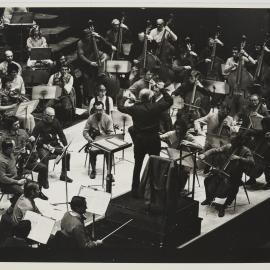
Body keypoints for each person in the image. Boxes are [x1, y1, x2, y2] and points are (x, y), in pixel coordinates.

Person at [118, 87, 173, 197]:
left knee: (137, 165)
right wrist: (162, 90)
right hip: (153, 139)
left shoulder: (135, 108)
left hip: (139, 140)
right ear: (150, 97)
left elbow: (120, 107)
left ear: (140, 98)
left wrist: (124, 97)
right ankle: (152, 190)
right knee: (154, 165)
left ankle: (135, 191)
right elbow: (169, 101)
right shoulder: (156, 107)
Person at [199, 134, 254, 217]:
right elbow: (215, 150)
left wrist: (239, 158)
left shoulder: (245, 150)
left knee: (234, 188)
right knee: (207, 180)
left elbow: (252, 162)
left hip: (235, 175)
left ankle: (224, 206)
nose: (232, 144)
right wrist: (205, 154)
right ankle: (208, 199)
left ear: (240, 141)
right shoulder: (229, 146)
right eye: (231, 141)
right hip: (224, 171)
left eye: (234, 142)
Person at [0, 116, 48, 199]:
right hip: (14, 162)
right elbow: (3, 153)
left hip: (26, 159)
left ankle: (38, 191)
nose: (18, 126)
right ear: (9, 126)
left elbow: (30, 145)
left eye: (19, 123)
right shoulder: (3, 137)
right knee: (20, 182)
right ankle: (18, 196)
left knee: (43, 167)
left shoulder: (23, 132)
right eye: (15, 124)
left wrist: (33, 150)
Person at [30, 107, 73, 184]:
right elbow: (34, 139)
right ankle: (44, 178)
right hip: (43, 146)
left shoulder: (56, 122)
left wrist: (65, 145)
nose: (52, 118)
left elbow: (61, 134)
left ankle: (64, 175)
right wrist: (43, 145)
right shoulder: (39, 125)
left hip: (54, 144)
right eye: (50, 116)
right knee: (45, 157)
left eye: (53, 116)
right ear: (46, 115)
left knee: (67, 154)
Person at [77, 28, 118, 105]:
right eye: (88, 36)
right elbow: (81, 56)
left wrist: (98, 36)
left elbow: (104, 42)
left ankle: (102, 73)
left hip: (93, 57)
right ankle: (88, 97)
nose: (90, 37)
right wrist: (90, 63)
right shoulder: (80, 43)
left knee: (105, 56)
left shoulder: (92, 39)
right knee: (87, 79)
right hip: (85, 63)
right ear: (84, 37)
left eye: (90, 35)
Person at [83, 101, 114, 179]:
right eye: (96, 110)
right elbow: (85, 131)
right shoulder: (91, 118)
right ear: (94, 110)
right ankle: (93, 170)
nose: (98, 112)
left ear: (103, 109)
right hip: (94, 142)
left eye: (100, 110)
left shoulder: (108, 118)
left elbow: (111, 133)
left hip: (105, 142)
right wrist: (90, 140)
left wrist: (105, 137)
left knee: (109, 152)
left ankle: (109, 173)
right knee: (92, 151)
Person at [0, 138, 26, 203]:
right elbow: (3, 178)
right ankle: (10, 210)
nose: (15, 148)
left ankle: (14, 201)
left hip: (15, 177)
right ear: (8, 149)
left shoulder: (10, 153)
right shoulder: (1, 161)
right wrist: (17, 182)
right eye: (14, 147)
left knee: (32, 186)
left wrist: (21, 152)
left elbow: (16, 154)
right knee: (21, 193)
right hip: (5, 184)